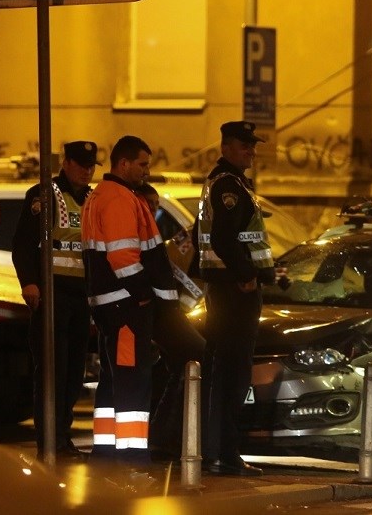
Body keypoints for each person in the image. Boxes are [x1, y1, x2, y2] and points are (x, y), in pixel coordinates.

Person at [81, 135, 178, 465]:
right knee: (132, 381)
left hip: (112, 304)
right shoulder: (120, 198)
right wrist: (144, 298)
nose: (146, 171)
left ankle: (106, 449)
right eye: (142, 164)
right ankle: (133, 455)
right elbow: (123, 258)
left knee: (113, 378)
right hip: (125, 303)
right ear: (123, 164)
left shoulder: (102, 196)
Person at [10, 140, 98, 460]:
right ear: (66, 162)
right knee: (52, 372)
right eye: (81, 164)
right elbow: (23, 244)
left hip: (81, 298)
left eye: (91, 166)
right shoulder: (45, 195)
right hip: (53, 295)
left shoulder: (91, 197)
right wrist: (30, 283)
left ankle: (62, 436)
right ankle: (49, 440)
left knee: (73, 374)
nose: (87, 171)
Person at [197, 120, 275, 477]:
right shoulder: (227, 185)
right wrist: (245, 276)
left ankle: (222, 453)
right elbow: (225, 240)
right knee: (231, 376)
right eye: (244, 146)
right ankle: (223, 456)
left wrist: (266, 272)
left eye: (252, 145)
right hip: (233, 294)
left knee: (229, 375)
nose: (251, 151)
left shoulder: (234, 183)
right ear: (226, 147)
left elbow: (244, 238)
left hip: (231, 291)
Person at [134, 182, 207, 463]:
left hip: (169, 316)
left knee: (174, 371)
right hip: (155, 315)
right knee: (195, 359)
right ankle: (164, 439)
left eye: (155, 206)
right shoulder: (181, 242)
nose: (152, 210)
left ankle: (164, 439)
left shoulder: (155, 237)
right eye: (148, 205)